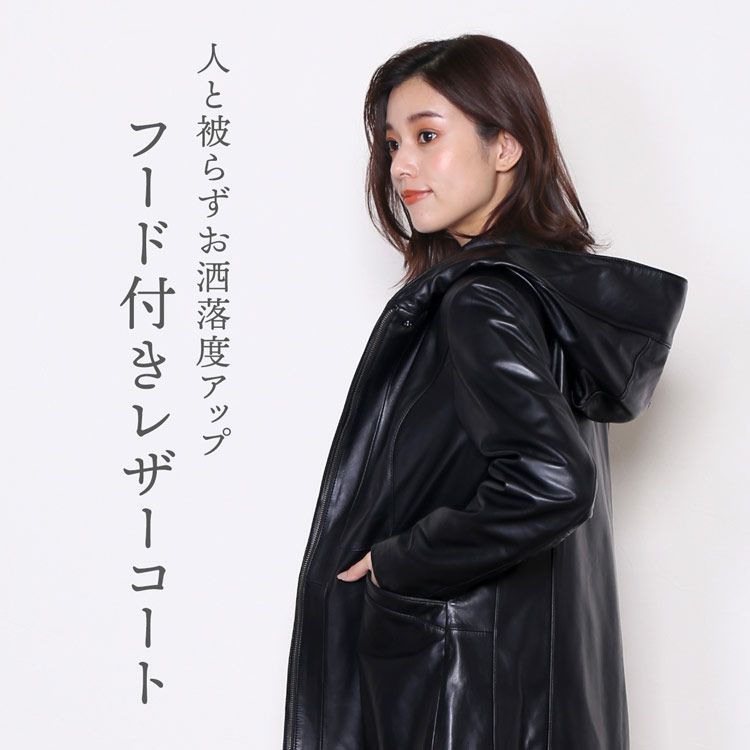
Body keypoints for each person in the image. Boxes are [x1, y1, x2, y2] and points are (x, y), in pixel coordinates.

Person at [283, 34, 688, 750]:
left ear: (505, 146)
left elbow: (553, 482)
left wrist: (399, 562)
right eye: (391, 144)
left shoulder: (484, 301)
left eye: (427, 136)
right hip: (526, 694)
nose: (399, 166)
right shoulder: (546, 297)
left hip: (463, 699)